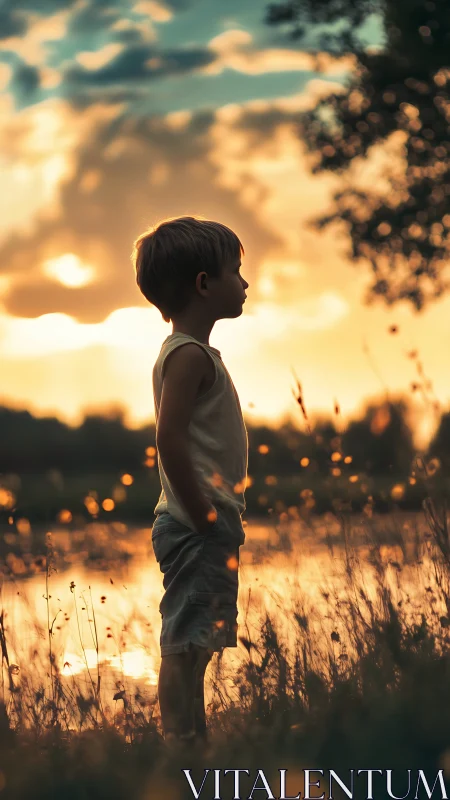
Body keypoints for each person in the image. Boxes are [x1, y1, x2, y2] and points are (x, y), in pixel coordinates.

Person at [131, 215, 250, 747]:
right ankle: (179, 745)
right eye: (236, 271)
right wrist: (202, 512)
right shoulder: (187, 356)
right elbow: (170, 439)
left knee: (199, 638)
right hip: (195, 519)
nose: (245, 282)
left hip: (206, 517)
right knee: (186, 639)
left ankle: (192, 741)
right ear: (205, 283)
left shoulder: (193, 354)